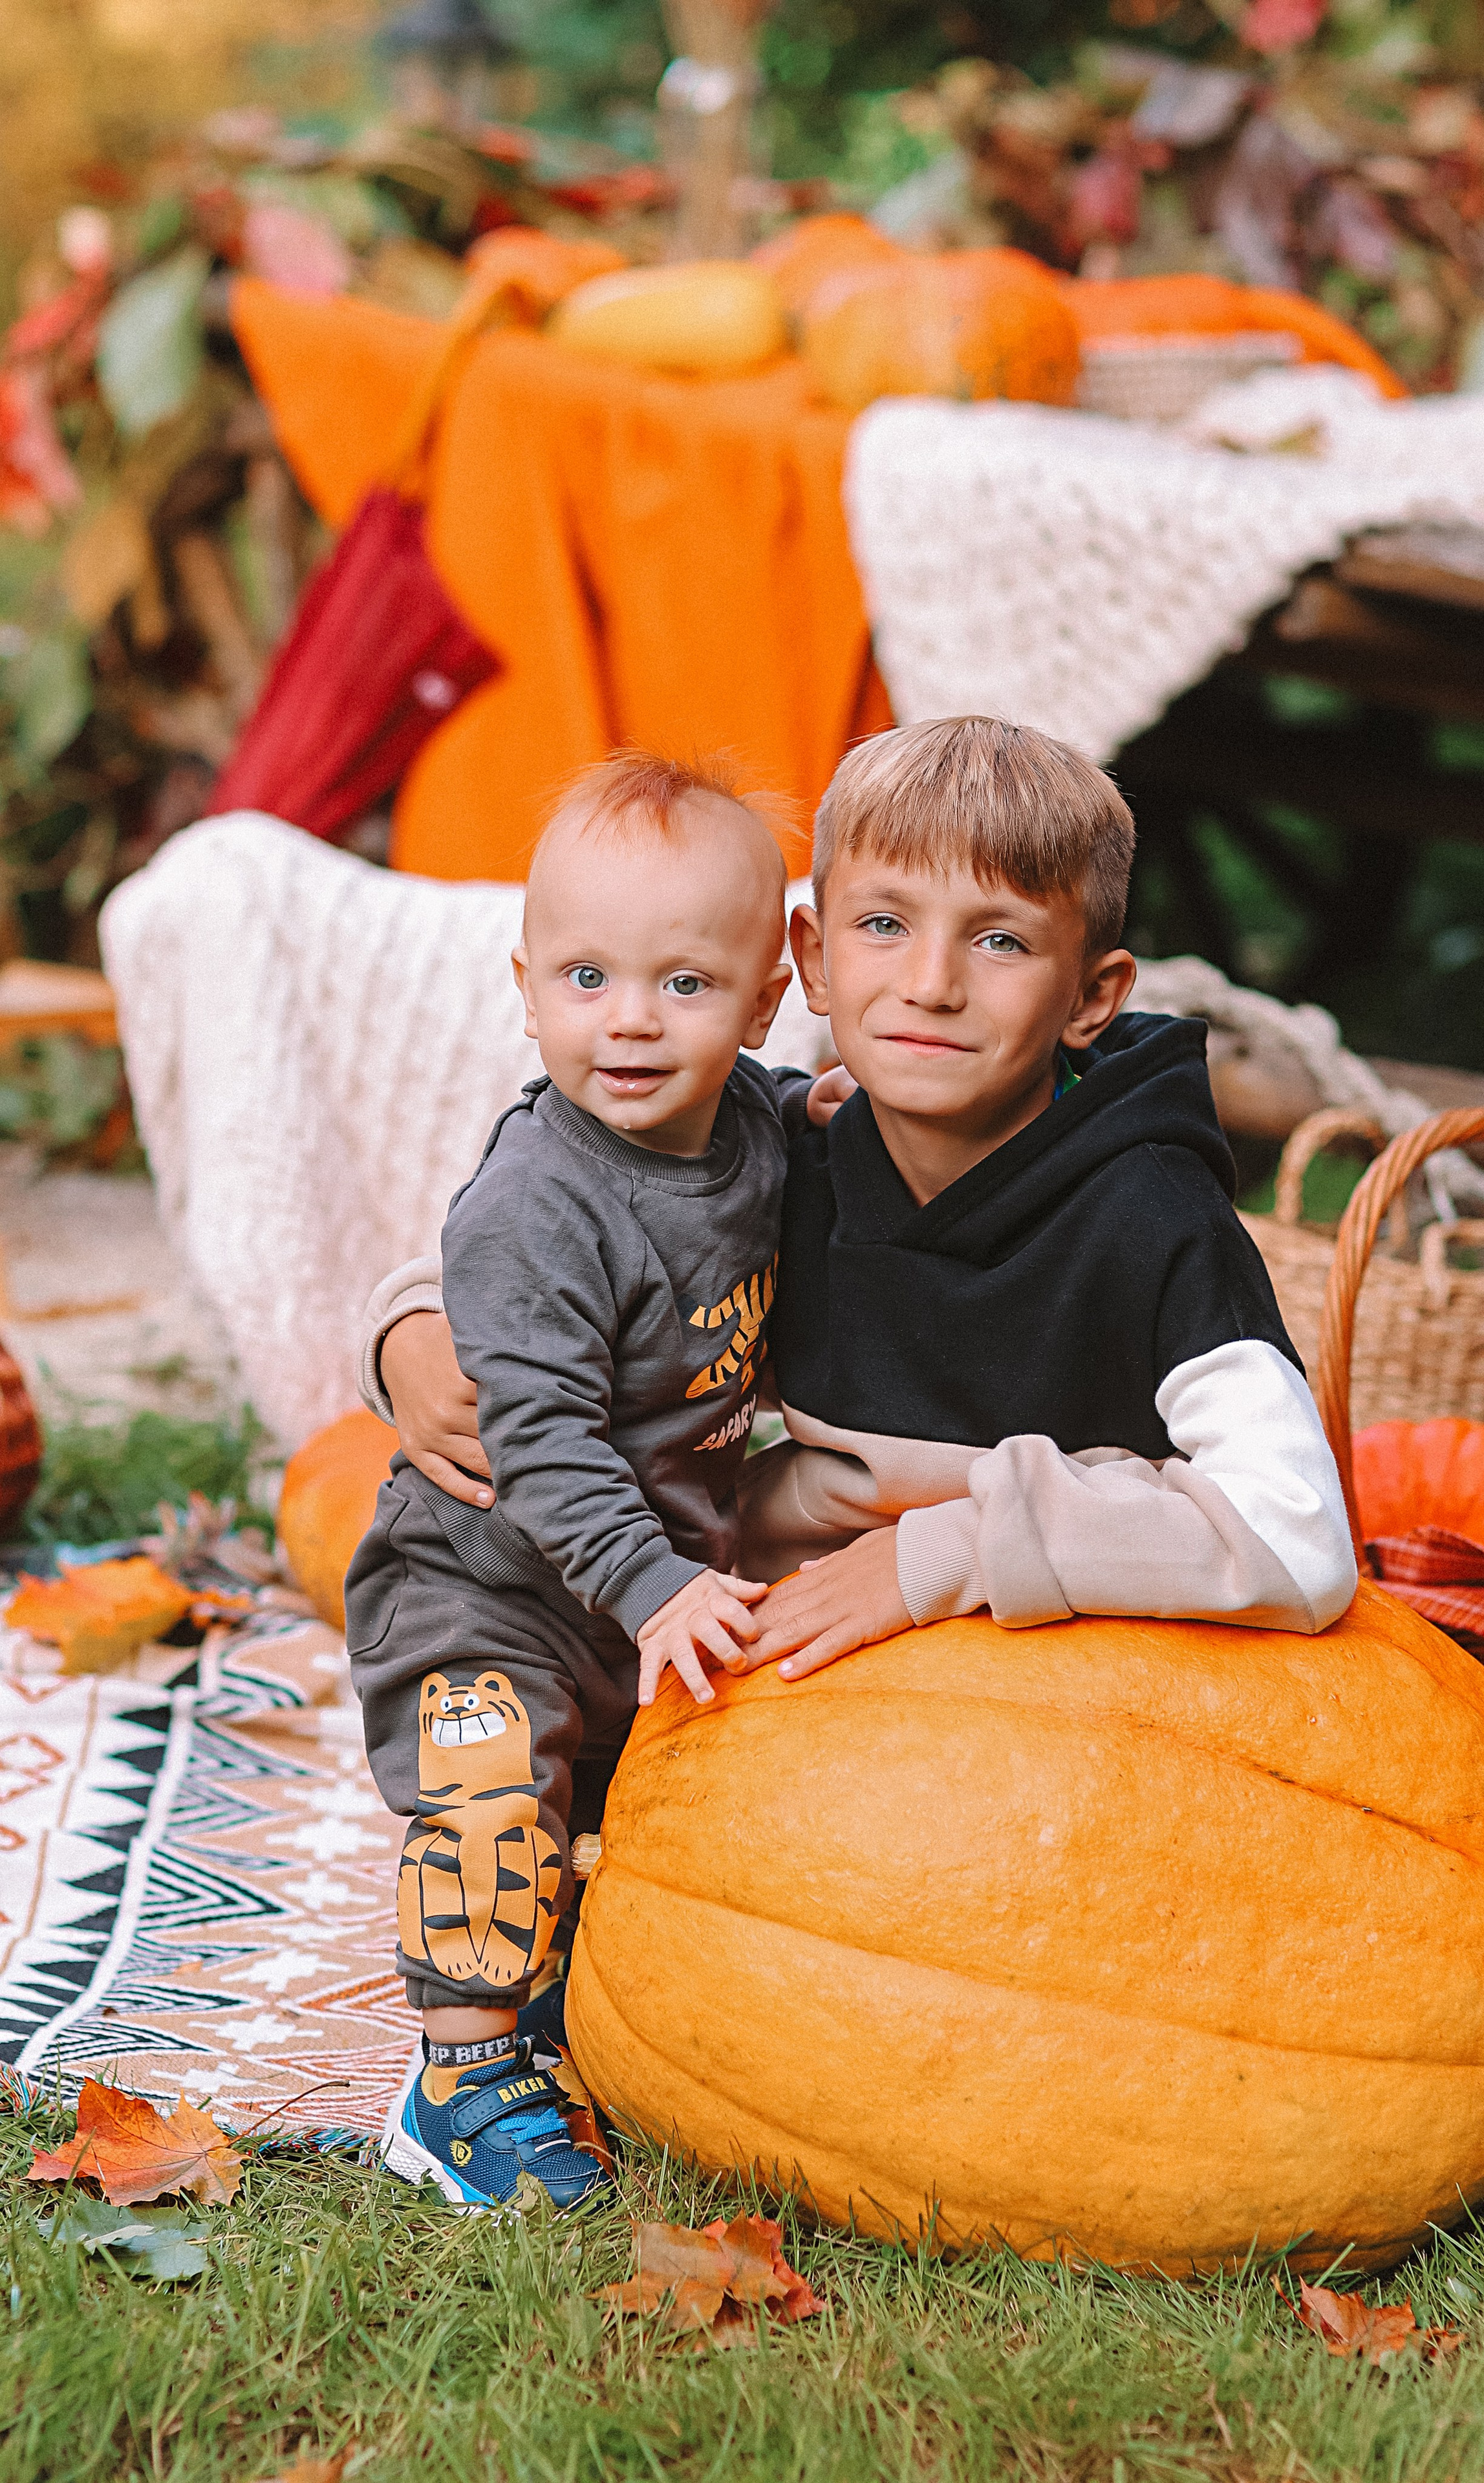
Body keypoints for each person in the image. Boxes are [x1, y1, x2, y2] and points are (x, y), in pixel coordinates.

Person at [366, 716, 1358, 2144]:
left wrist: (930, 1559)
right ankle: (485, 2046)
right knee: (500, 1771)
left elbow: (1297, 1539)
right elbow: (568, 1216)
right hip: (694, 1649)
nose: (932, 986)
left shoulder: (1153, 1230)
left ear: (1095, 992)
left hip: (1064, 1786)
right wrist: (407, 1332)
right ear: (813, 962)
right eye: (884, 926)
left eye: (1000, 941)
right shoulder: (792, 1146)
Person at [347, 748, 837, 2213]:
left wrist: (838, 1125)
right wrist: (655, 1586)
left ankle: (563, 2002)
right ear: (523, 983)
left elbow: (802, 1155)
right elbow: (542, 1447)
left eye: (684, 987)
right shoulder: (534, 1207)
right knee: (495, 1802)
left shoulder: (753, 1123)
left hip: (645, 1577)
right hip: (481, 1584)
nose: (627, 1020)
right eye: (584, 978)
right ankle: (461, 2075)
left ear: (760, 1003)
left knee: (626, 1820)